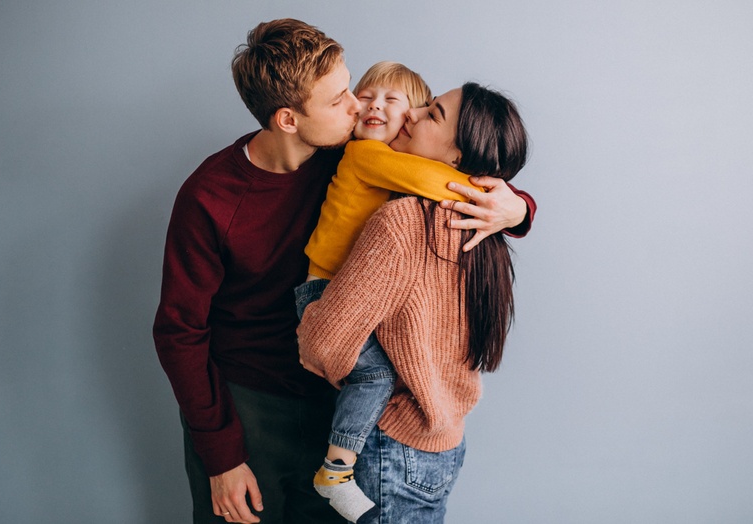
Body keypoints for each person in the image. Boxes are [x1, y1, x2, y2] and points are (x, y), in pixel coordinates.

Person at [152, 19, 536, 524]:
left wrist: (518, 208)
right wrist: (220, 456)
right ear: (289, 119)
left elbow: (457, 162)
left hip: (340, 404)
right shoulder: (209, 197)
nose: (359, 106)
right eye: (338, 101)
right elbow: (179, 331)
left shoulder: (355, 155)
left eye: (349, 87)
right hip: (246, 407)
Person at [297, 82, 531, 523]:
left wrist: (311, 327)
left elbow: (324, 345)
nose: (412, 114)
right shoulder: (485, 226)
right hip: (444, 442)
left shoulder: (402, 222)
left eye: (433, 114)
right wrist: (516, 207)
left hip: (393, 448)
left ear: (458, 156)